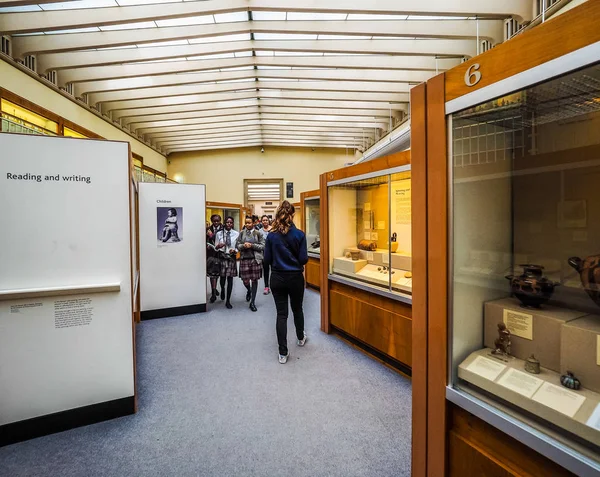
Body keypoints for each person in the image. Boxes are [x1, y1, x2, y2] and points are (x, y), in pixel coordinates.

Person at [263, 200, 308, 364]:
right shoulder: (300, 235)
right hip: (295, 277)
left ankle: (283, 353)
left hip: (277, 278)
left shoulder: (271, 236)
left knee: (281, 314)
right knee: (297, 309)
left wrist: (266, 283)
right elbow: (303, 259)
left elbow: (266, 260)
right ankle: (301, 337)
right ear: (292, 215)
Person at [236, 216, 265, 312]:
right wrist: (243, 246)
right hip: (244, 259)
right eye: (246, 223)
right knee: (245, 280)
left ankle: (252, 302)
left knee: (255, 280)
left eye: (249, 223)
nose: (247, 224)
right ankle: (249, 290)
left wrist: (252, 245)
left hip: (255, 260)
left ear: (253, 223)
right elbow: (238, 245)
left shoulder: (258, 233)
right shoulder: (241, 233)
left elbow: (262, 246)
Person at [214, 216, 239, 309]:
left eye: (231, 222)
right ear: (224, 223)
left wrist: (235, 251)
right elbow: (215, 247)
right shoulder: (219, 233)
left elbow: (238, 247)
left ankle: (228, 300)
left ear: (232, 223)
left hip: (231, 257)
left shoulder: (236, 234)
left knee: (230, 279)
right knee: (223, 278)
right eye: (227, 222)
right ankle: (223, 289)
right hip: (222, 257)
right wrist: (218, 246)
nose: (229, 224)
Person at [206, 214, 223, 303]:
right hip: (211, 254)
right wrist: (207, 245)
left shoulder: (224, 229)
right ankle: (213, 292)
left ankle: (215, 287)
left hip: (221, 254)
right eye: (214, 221)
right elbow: (204, 240)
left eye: (218, 221)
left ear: (220, 220)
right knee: (212, 274)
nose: (216, 223)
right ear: (211, 221)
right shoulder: (207, 229)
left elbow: (221, 240)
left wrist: (211, 235)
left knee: (218, 273)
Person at [259, 215, 272, 295]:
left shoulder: (273, 229)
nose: (265, 221)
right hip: (264, 253)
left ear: (268, 221)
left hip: (273, 253)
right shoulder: (259, 231)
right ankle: (266, 286)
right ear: (261, 221)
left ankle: (274, 286)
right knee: (266, 270)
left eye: (266, 220)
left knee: (274, 270)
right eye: (263, 220)